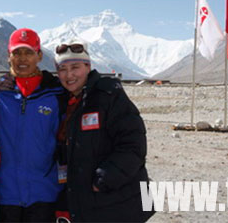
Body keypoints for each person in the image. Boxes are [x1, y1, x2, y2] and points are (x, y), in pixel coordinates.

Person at [54, 39, 154, 222]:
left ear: (88, 66)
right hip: (87, 201)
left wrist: (104, 179)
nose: (69, 75)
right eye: (62, 69)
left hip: (116, 199)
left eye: (75, 67)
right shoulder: (63, 98)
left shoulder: (108, 94)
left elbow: (133, 144)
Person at [0, 28, 64, 222]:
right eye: (16, 53)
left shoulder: (57, 95)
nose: (22, 59)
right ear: (8, 56)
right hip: (5, 196)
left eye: (28, 52)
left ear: (39, 55)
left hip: (45, 194)